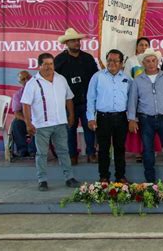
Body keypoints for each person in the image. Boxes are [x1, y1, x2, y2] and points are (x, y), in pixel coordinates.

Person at [20, 53, 80, 191]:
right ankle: (42, 180)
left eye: (51, 64)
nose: (49, 67)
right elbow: (26, 104)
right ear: (39, 65)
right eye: (45, 64)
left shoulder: (61, 79)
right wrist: (28, 123)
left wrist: (71, 116)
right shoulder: (33, 82)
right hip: (42, 125)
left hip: (60, 123)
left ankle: (69, 178)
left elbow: (69, 98)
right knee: (41, 154)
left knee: (64, 151)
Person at [127, 48, 163, 184]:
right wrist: (131, 119)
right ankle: (150, 182)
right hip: (146, 120)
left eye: (153, 60)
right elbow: (132, 100)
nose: (151, 64)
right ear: (143, 63)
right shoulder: (138, 80)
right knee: (147, 151)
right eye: (148, 61)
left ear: (157, 61)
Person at [55, 28, 98, 165]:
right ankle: (72, 155)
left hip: (86, 100)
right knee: (70, 129)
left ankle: (91, 153)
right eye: (73, 41)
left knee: (89, 128)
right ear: (66, 43)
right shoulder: (59, 60)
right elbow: (54, 81)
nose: (77, 43)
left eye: (78, 40)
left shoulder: (88, 58)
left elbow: (95, 78)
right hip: (68, 102)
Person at [87, 49, 131, 183]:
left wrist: (131, 119)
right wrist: (91, 118)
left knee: (119, 148)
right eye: (109, 60)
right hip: (103, 118)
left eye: (115, 61)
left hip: (121, 118)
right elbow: (91, 98)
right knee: (103, 149)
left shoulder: (127, 79)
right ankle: (104, 177)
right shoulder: (97, 76)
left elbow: (131, 100)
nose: (112, 63)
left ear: (121, 63)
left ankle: (120, 176)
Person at [123, 37, 161, 162]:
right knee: (138, 125)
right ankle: (139, 151)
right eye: (141, 45)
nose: (143, 47)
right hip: (135, 97)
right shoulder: (131, 61)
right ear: (137, 47)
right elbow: (128, 79)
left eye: (146, 45)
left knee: (150, 124)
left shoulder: (154, 60)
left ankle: (150, 150)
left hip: (151, 99)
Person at [11, 70, 36, 158]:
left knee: (38, 123)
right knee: (16, 124)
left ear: (31, 77)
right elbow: (17, 113)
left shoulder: (39, 91)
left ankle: (33, 150)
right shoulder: (18, 95)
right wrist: (27, 121)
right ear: (20, 82)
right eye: (23, 79)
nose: (26, 81)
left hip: (38, 118)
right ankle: (22, 150)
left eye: (28, 78)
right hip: (26, 119)